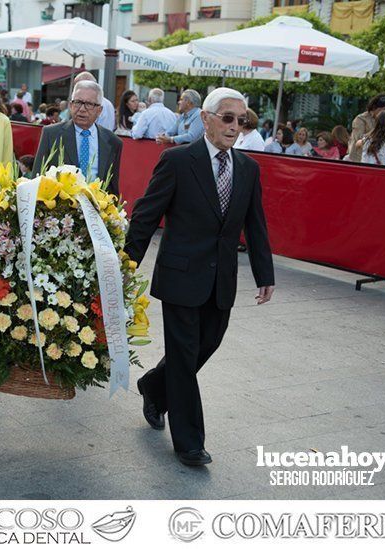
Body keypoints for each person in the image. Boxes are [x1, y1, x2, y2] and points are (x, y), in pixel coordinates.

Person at [125, 87, 275, 467]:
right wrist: (127, 264)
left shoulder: (248, 168)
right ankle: (189, 442)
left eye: (241, 120)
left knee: (205, 345)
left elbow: (255, 225)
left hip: (220, 280)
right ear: (205, 118)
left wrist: (264, 273)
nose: (235, 126)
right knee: (184, 353)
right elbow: (146, 213)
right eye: (227, 118)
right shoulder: (177, 161)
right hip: (179, 277)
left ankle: (154, 386)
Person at [32, 80, 123, 195]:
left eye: (89, 104)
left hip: (95, 208)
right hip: (59, 208)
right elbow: (37, 177)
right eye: (78, 102)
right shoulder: (51, 134)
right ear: (70, 105)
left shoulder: (112, 142)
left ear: (99, 110)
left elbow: (112, 187)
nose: (82, 109)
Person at [348, 94, 385, 162]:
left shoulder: (384, 119)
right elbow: (358, 141)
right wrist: (377, 131)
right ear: (374, 108)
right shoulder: (361, 119)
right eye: (384, 109)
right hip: (359, 159)